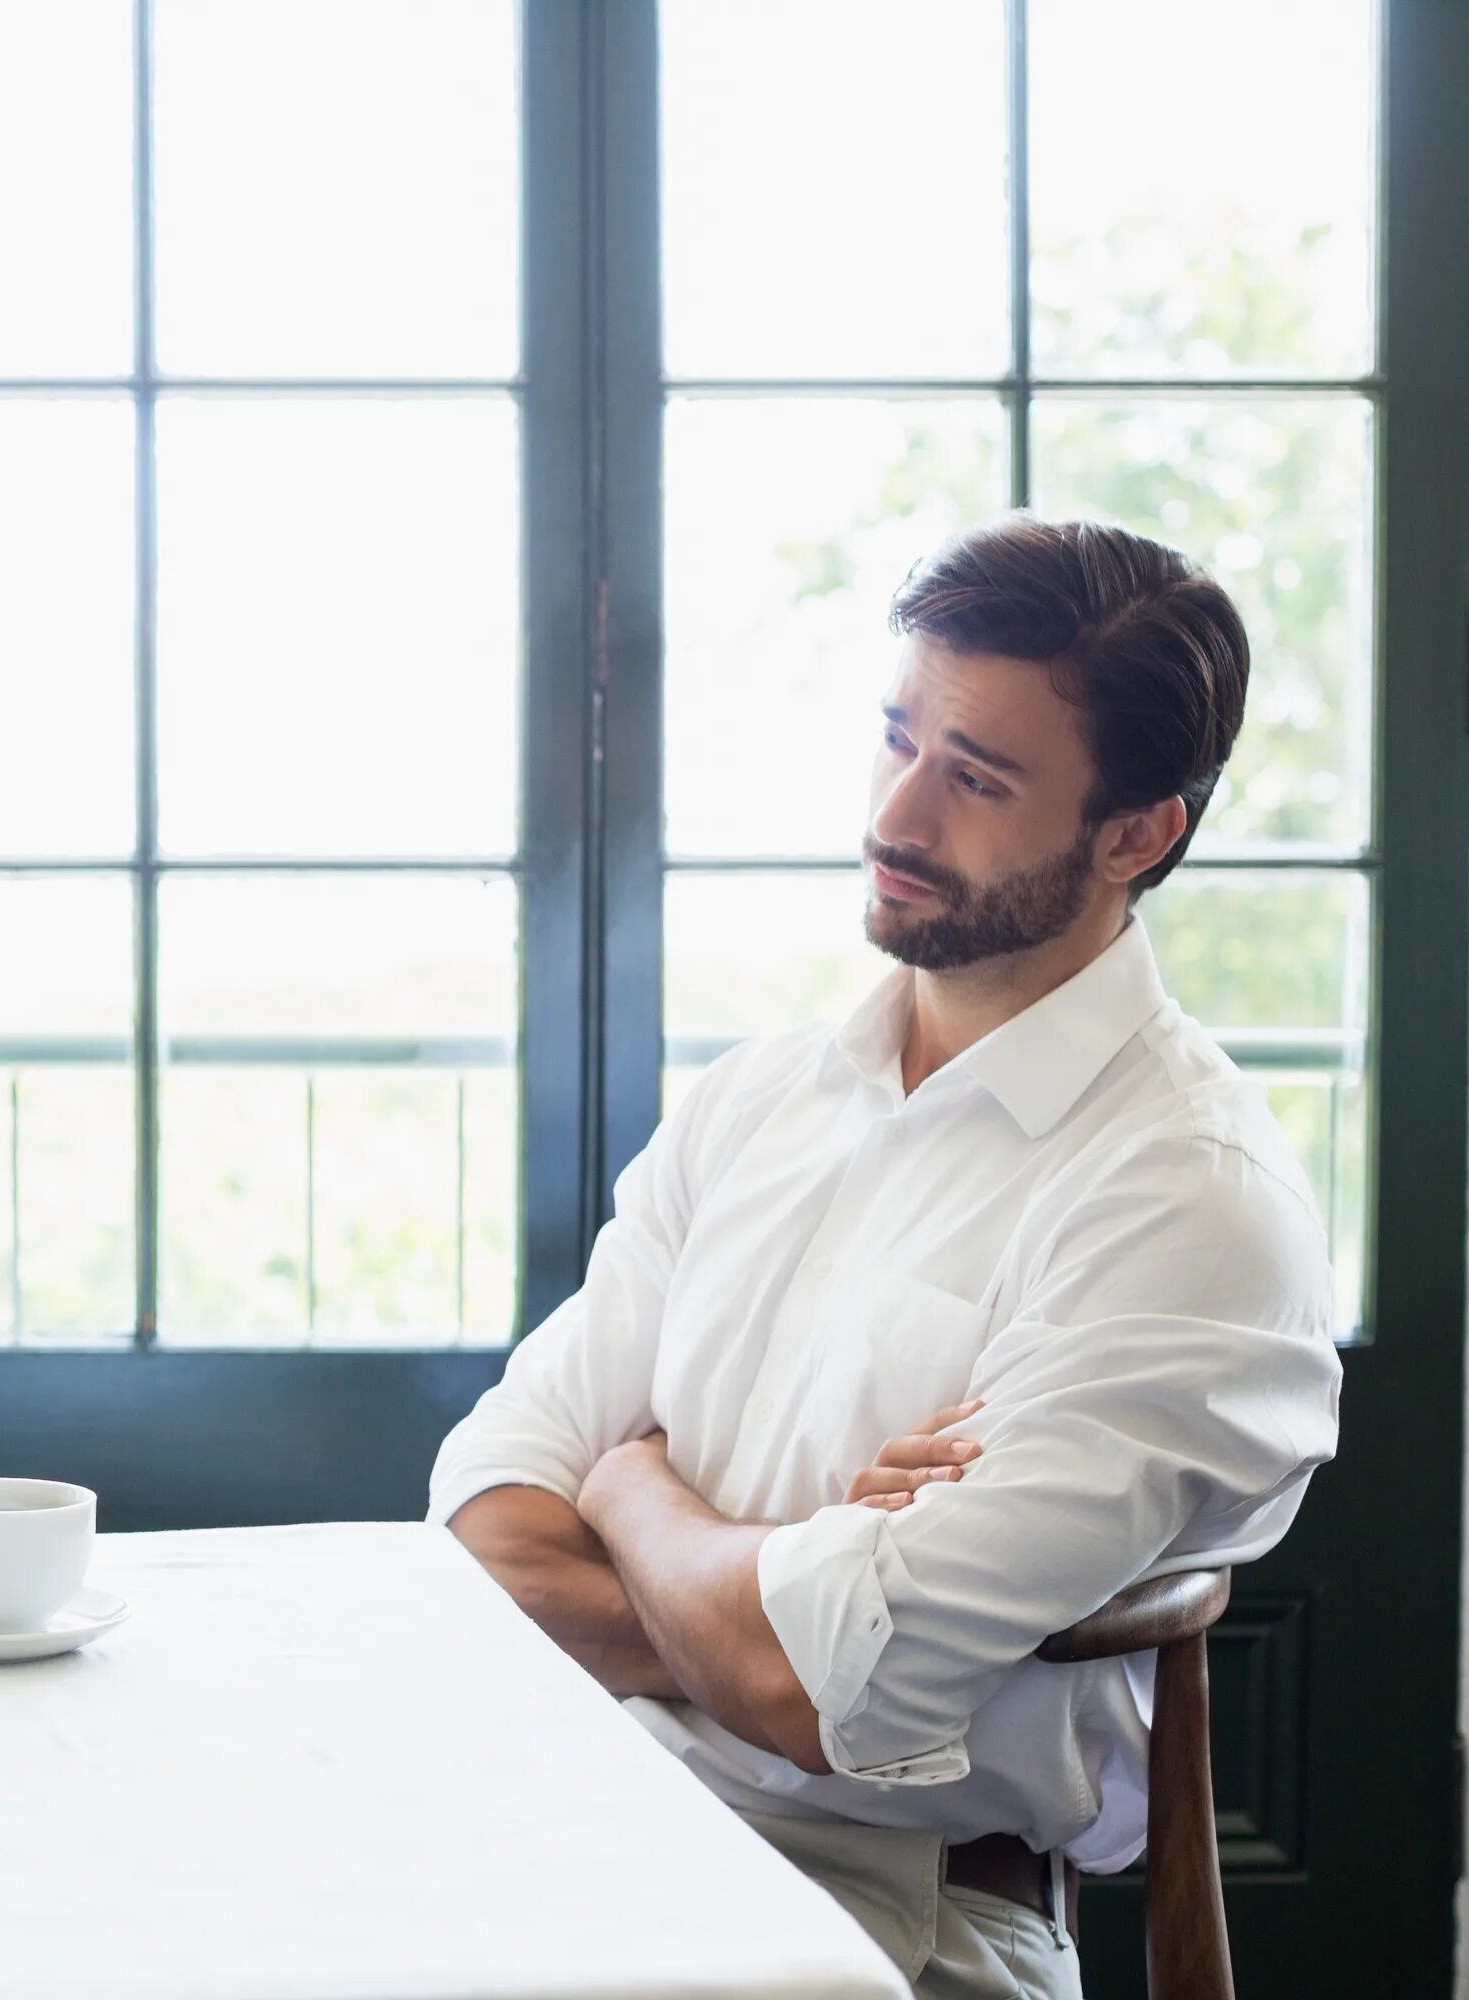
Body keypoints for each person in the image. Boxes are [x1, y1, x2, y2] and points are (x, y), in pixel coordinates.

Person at [429, 516, 1340, 1998]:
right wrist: (764, 1609)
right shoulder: (761, 1098)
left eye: (976, 777)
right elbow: (483, 1534)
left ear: (1137, 834)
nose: (898, 816)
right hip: (583, 1844)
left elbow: (805, 1692)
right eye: (899, 739)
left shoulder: (1188, 1205)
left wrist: (632, 1489)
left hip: (900, 1918)